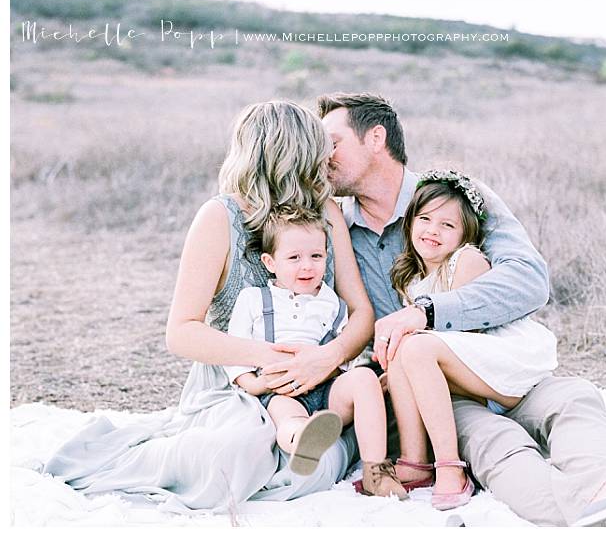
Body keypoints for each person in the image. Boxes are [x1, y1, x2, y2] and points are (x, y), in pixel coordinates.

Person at [318, 92, 606, 527]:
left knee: (576, 398)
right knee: (496, 440)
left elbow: (528, 280)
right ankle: (605, 516)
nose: (323, 155)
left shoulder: (453, 200)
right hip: (434, 390)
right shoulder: (336, 230)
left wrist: (427, 311)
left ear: (375, 138)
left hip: (498, 363)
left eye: (333, 142)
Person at [43, 100, 377, 511]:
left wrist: (327, 357)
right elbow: (181, 331)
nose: (329, 156)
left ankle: (311, 440)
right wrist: (270, 358)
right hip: (234, 385)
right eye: (319, 146)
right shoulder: (219, 217)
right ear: (293, 153)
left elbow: (361, 312)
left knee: (313, 468)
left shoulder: (325, 214)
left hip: (314, 378)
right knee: (236, 455)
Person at [385, 170, 559, 510]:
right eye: (424, 219)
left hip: (502, 362)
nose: (433, 230)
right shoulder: (413, 278)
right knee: (398, 349)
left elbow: (467, 336)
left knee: (414, 347)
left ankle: (451, 468)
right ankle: (414, 460)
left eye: (447, 225)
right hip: (464, 367)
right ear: (409, 224)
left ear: (465, 233)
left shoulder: (466, 261)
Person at [225, 209, 406, 498]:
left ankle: (376, 470)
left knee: (363, 378)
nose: (306, 266)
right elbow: (234, 354)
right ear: (270, 263)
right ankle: (302, 440)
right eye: (294, 258)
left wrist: (357, 381)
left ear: (326, 258)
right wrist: (257, 385)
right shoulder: (254, 300)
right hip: (280, 391)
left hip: (327, 390)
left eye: (316, 257)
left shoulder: (333, 304)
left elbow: (342, 360)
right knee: (288, 418)